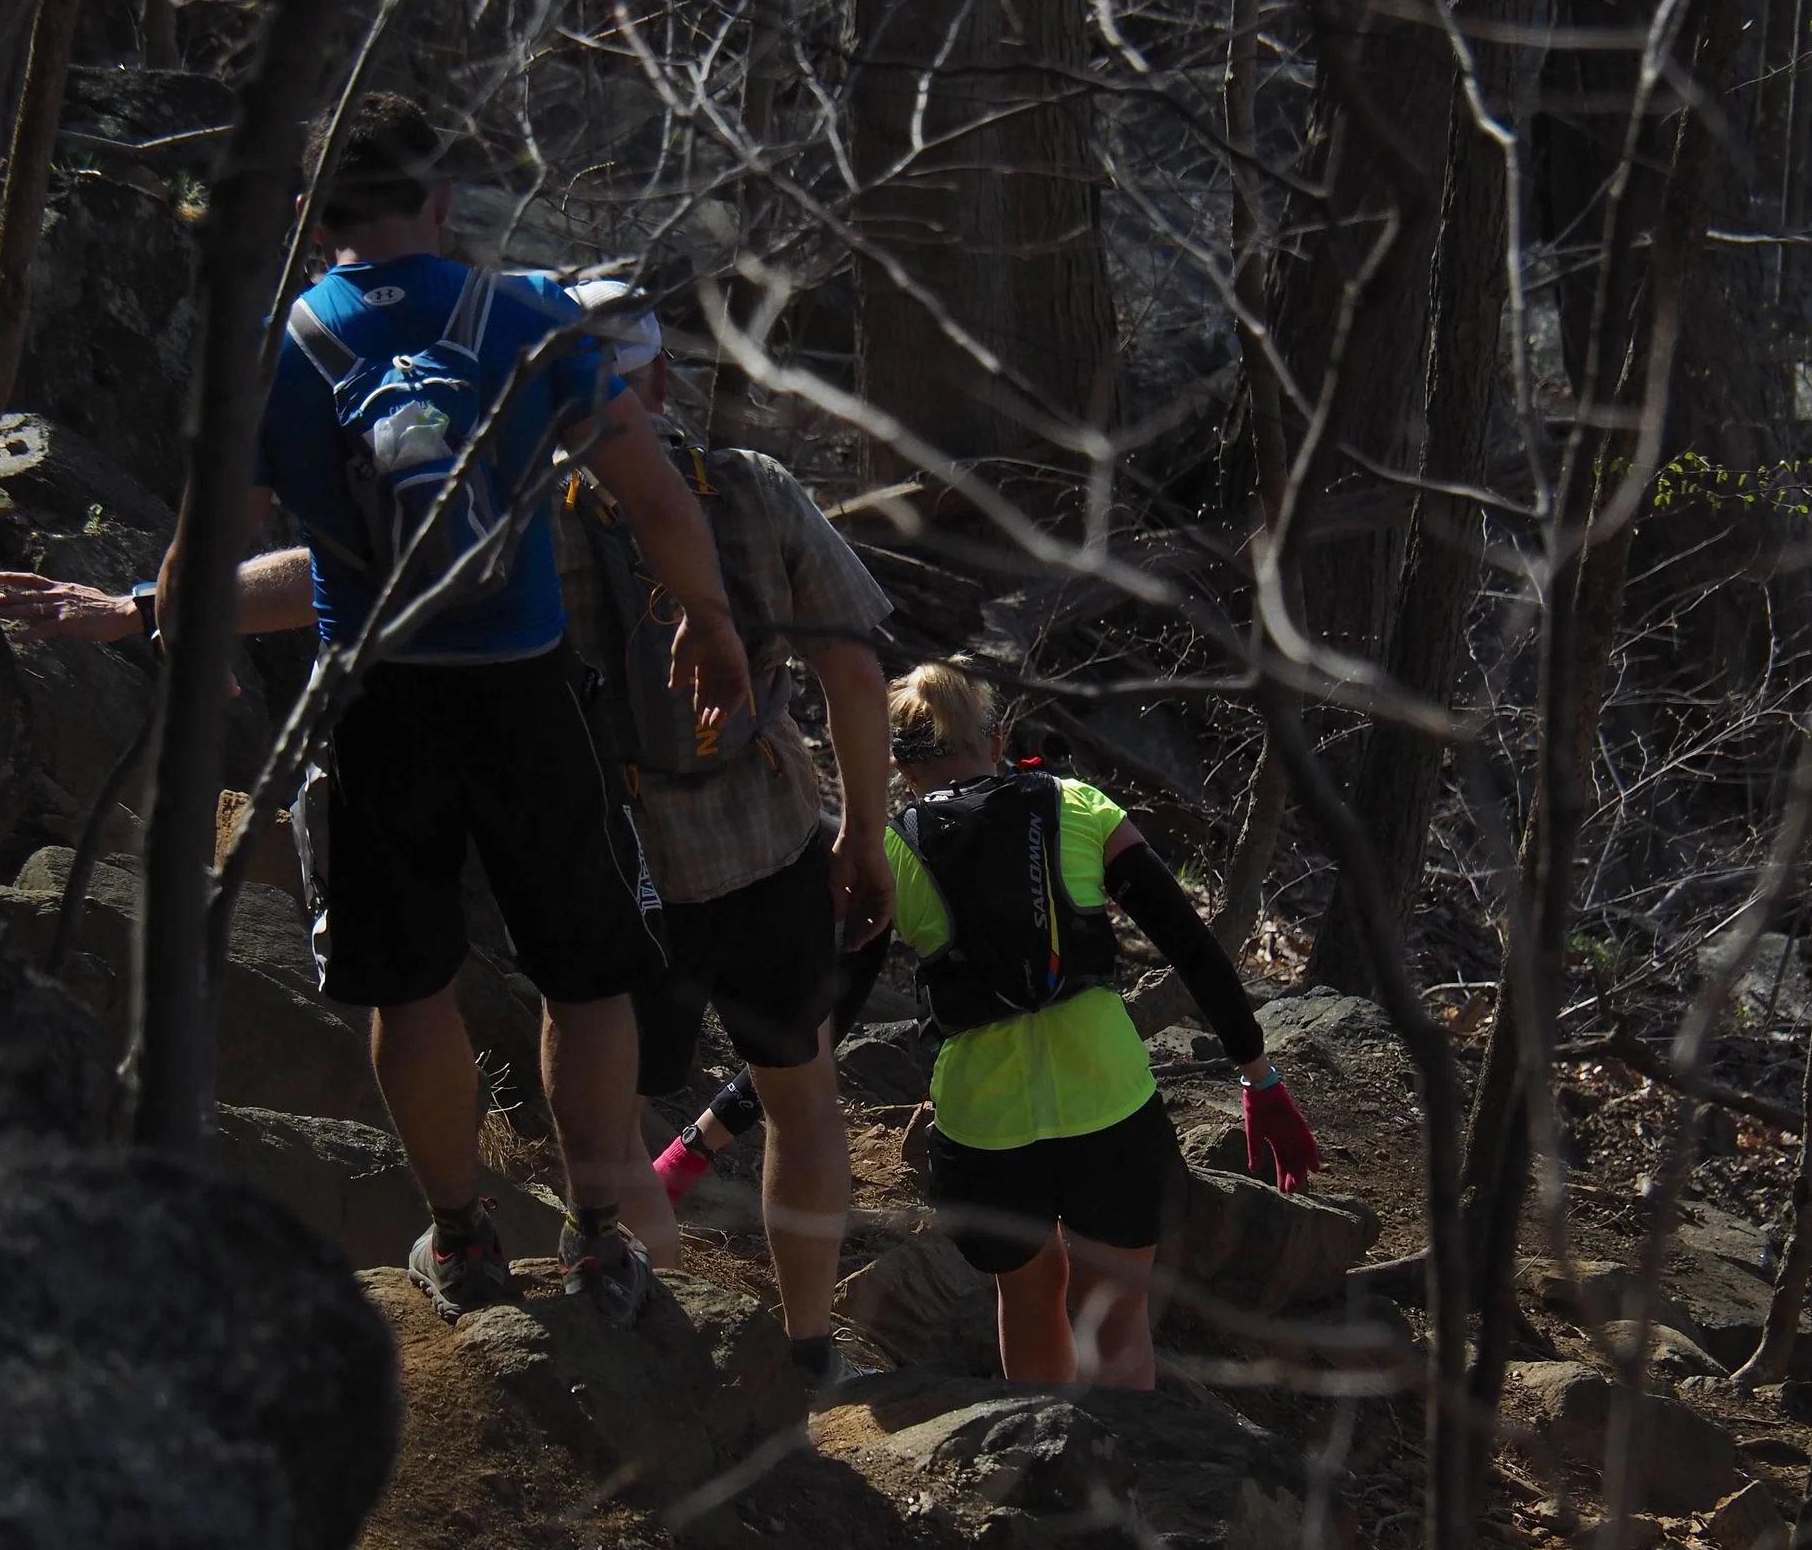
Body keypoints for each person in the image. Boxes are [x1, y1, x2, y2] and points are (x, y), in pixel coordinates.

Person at [0, 94, 751, 1330]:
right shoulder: (527, 318)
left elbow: (210, 542)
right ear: (441, 202)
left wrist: (177, 633)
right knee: (582, 979)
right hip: (527, 690)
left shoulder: (274, 349)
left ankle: (461, 1240)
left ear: (311, 217)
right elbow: (658, 499)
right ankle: (600, 1241)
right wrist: (709, 624)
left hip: (373, 698)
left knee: (410, 987)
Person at [549, 281, 895, 1388]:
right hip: (770, 846)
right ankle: (807, 1352)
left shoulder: (524, 518)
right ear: (658, 379)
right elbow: (854, 672)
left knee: (612, 1123)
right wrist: (864, 835)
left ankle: (663, 1365)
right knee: (800, 1099)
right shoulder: (750, 488)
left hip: (617, 864)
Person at [880, 663, 1320, 1388]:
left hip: (985, 1124)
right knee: (1115, 1317)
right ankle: (1125, 1458)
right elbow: (1190, 943)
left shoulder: (889, 850)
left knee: (1027, 1299)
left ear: (902, 766)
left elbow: (821, 1003)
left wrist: (711, 1130)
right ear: (997, 739)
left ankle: (1044, 1449)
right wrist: (1258, 1074)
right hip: (1109, 1103)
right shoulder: (1078, 803)